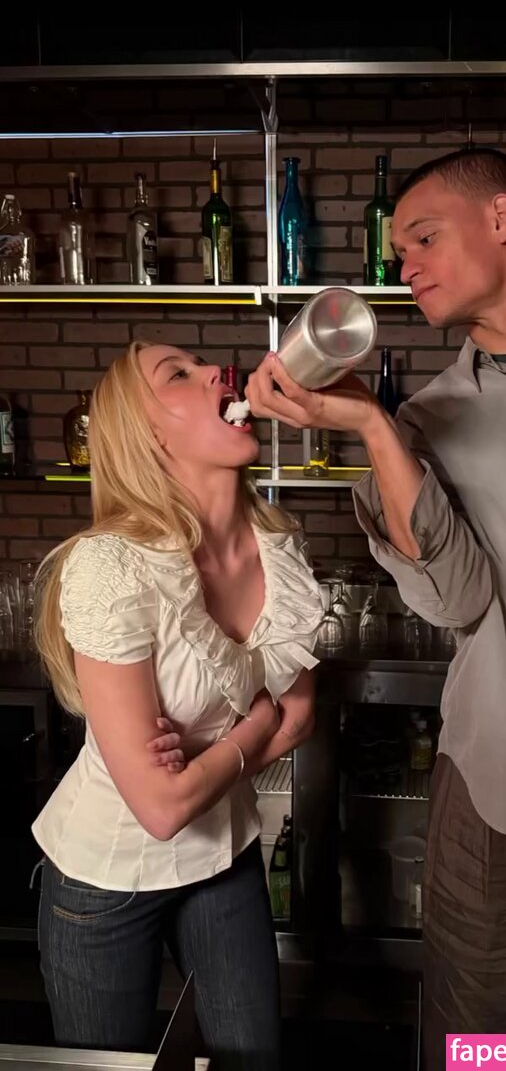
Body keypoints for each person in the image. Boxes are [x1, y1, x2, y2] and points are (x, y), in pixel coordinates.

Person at [245, 148, 506, 1065]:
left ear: (500, 220)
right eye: (399, 248)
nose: (402, 263)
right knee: (502, 1051)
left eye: (423, 238)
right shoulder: (427, 422)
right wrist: (372, 426)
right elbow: (457, 597)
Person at [33, 340, 323, 1070]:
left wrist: (207, 759)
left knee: (251, 1059)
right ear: (148, 436)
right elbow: (160, 809)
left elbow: (302, 717)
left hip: (225, 851)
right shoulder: (111, 565)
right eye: (179, 375)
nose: (218, 373)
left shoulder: (278, 543)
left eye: (205, 365)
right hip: (106, 875)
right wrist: (254, 726)